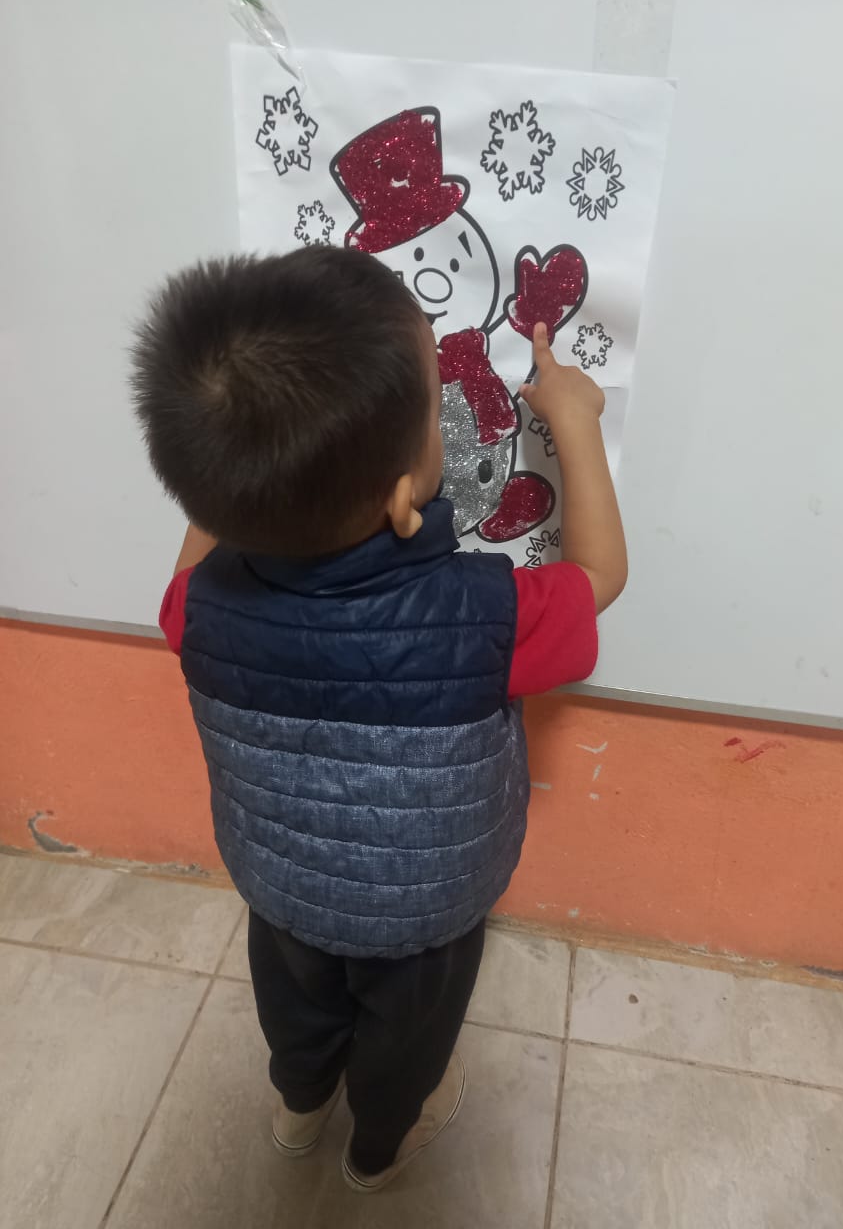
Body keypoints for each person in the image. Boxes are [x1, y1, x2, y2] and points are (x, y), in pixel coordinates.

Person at [131, 245, 626, 1193]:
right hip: (426, 915)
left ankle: (298, 1107)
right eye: (436, 408)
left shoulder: (194, 605)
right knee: (407, 1039)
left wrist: (229, 488)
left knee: (296, 1008)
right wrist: (576, 423)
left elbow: (201, 543)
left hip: (282, 889)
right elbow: (600, 575)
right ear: (404, 497)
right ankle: (377, 1148)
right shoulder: (489, 614)